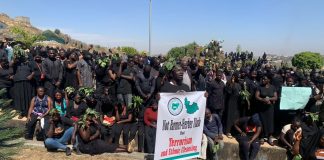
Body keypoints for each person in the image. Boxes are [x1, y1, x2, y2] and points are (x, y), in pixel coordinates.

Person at [255, 75, 278, 145]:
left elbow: (275, 97)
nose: (263, 80)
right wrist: (263, 99)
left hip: (270, 108)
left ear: (269, 80)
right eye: (262, 79)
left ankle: (269, 137)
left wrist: (269, 99)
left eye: (265, 79)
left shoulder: (272, 87)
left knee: (270, 122)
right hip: (262, 108)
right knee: (262, 121)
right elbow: (256, 96)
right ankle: (262, 136)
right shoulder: (260, 87)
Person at [13, 55, 35, 119]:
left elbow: (33, 71)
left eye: (24, 57)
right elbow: (11, 64)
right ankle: (21, 112)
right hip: (18, 82)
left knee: (27, 96)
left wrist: (31, 75)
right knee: (20, 97)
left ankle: (28, 112)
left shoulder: (30, 63)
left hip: (27, 82)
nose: (22, 58)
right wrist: (15, 56)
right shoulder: (17, 63)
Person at [224, 73, 241, 139]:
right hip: (231, 102)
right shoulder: (229, 83)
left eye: (235, 77)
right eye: (233, 76)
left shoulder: (239, 85)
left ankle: (234, 131)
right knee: (229, 117)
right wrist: (232, 84)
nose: (234, 78)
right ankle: (228, 131)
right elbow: (229, 92)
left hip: (237, 103)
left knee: (235, 117)